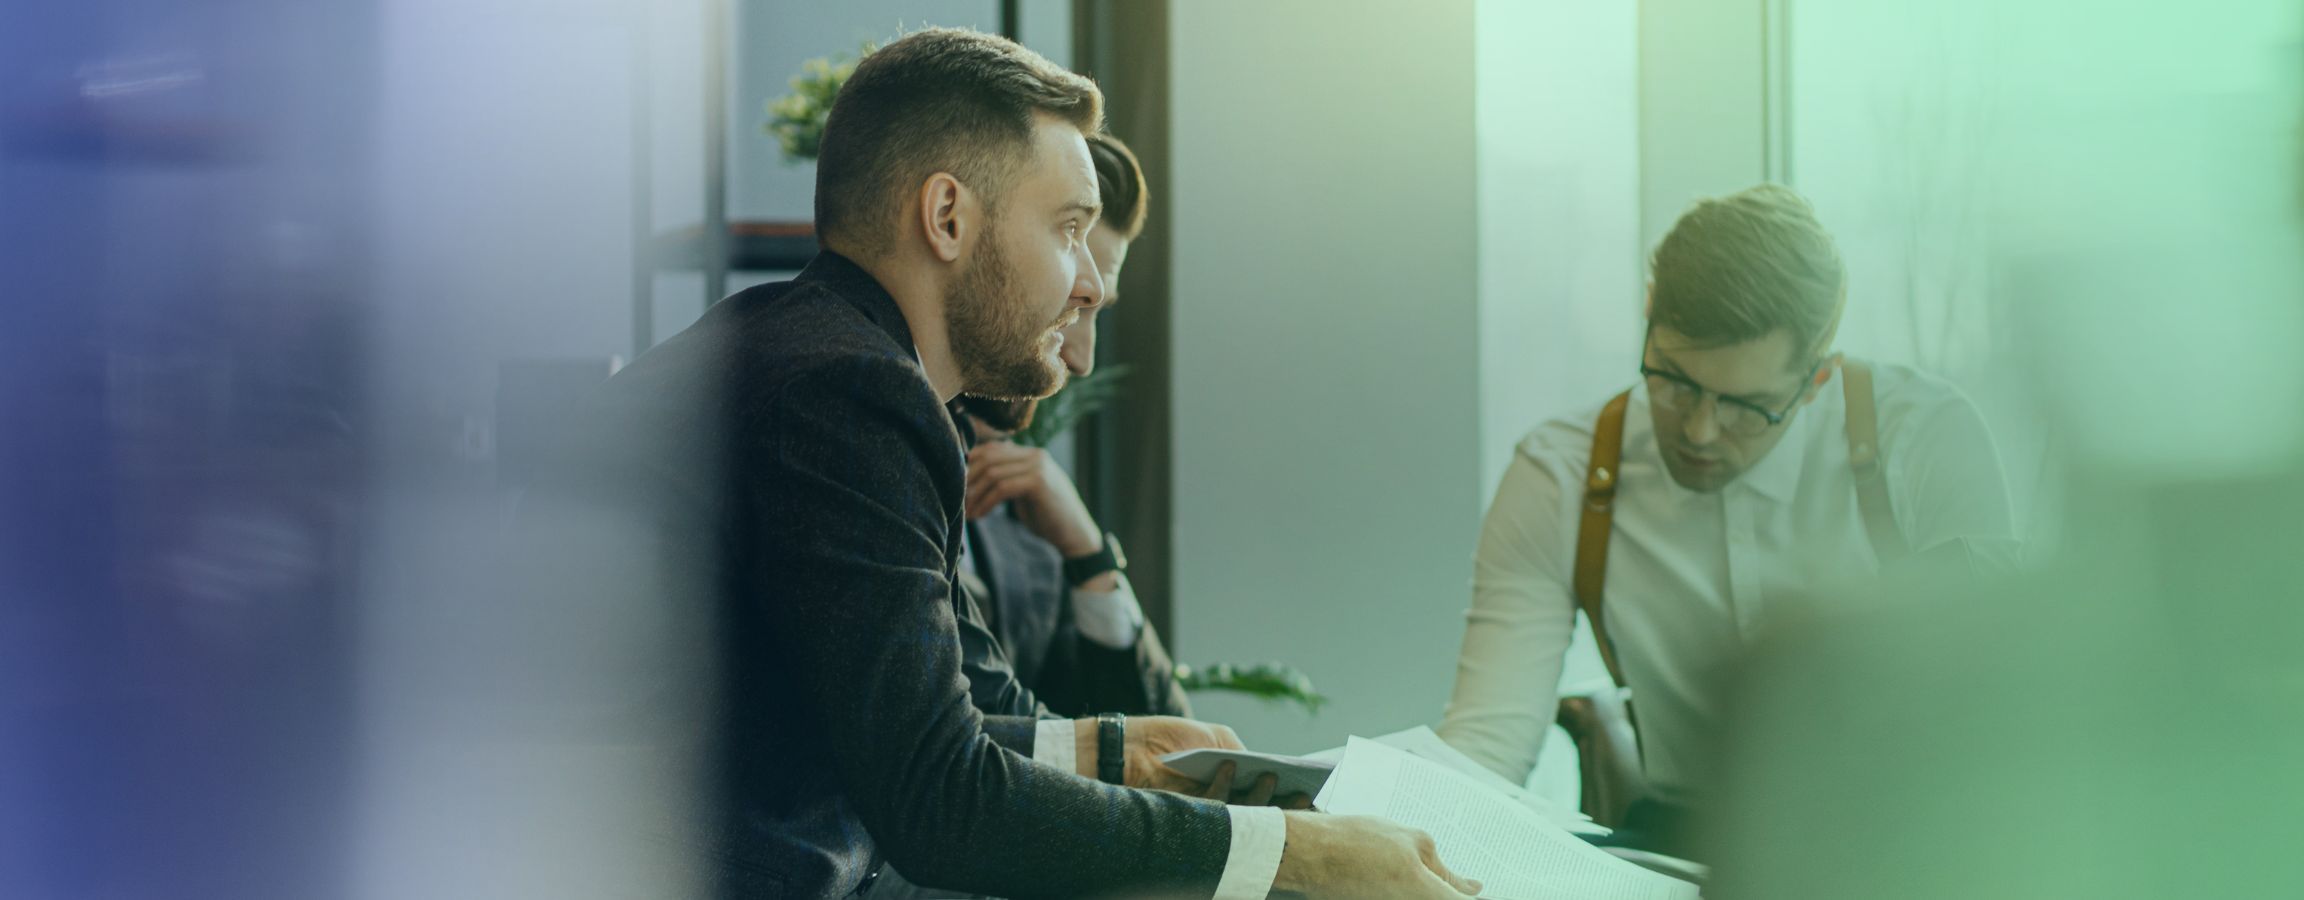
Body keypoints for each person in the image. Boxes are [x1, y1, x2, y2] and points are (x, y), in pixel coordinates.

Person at [529, 28, 1479, 900]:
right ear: (947, 216)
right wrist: (1294, 857)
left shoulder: (797, 348)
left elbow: (928, 722)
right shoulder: (846, 395)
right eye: (1069, 228)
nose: (1092, 282)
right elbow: (941, 800)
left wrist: (1116, 749)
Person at [1438, 184, 2019, 855]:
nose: (1701, 430)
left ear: (1817, 379)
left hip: (1898, 846)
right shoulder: (1563, 472)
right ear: (1649, 315)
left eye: (1749, 406)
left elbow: (1999, 723)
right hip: (1680, 850)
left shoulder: (1925, 441)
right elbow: (1485, 749)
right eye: (1675, 381)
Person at [952, 133, 1191, 720]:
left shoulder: (1025, 527)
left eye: (1094, 310)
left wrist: (1089, 557)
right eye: (1073, 302)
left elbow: (1156, 736)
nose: (1081, 359)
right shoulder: (856, 458)